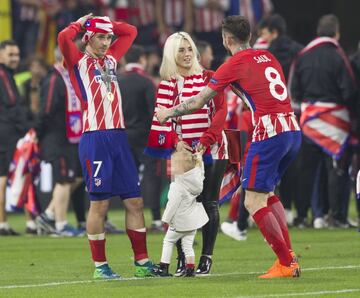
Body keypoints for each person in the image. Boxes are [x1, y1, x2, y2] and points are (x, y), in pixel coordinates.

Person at [156, 15, 301, 279]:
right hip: (292, 128)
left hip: (269, 131)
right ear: (250, 36)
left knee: (253, 200)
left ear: (226, 39)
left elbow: (199, 101)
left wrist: (169, 112)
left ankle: (285, 263)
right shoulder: (268, 57)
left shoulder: (232, 64)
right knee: (266, 194)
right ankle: (289, 257)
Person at [58, 14, 154, 279]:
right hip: (95, 138)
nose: (106, 41)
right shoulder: (77, 61)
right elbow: (63, 37)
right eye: (100, 37)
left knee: (134, 202)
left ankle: (142, 263)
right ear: (88, 38)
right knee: (99, 204)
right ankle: (100, 266)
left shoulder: (111, 59)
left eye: (109, 37)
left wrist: (106, 22)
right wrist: (81, 23)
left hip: (119, 138)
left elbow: (131, 30)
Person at [145, 31, 227, 275]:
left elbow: (221, 113)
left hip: (213, 148)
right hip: (182, 151)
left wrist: (206, 140)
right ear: (171, 54)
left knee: (210, 204)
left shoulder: (210, 78)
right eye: (180, 50)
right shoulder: (168, 84)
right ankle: (182, 259)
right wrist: (177, 143)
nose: (187, 54)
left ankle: (206, 258)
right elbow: (160, 121)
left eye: (189, 48)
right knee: (181, 206)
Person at [289, 14, 356, 229]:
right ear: (336, 32)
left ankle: (301, 216)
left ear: (318, 32)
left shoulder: (302, 55)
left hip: (308, 120)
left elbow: (294, 91)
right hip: (335, 121)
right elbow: (349, 89)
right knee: (335, 168)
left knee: (306, 170)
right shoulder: (339, 55)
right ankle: (335, 216)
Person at [34, 47, 84, 237]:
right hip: (57, 138)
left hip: (71, 137)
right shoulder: (54, 79)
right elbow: (45, 110)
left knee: (77, 176)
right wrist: (37, 134)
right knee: (63, 181)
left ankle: (47, 215)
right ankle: (60, 225)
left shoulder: (70, 78)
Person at [117, 45, 163, 232]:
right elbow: (155, 111)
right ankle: (156, 219)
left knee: (128, 177)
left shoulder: (117, 81)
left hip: (122, 136)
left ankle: (128, 218)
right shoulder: (146, 82)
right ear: (142, 59)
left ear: (124, 60)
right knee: (152, 176)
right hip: (145, 136)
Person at [152, 151, 208, 277]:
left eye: (173, 165)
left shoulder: (177, 185)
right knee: (188, 246)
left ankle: (164, 267)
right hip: (193, 221)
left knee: (168, 241)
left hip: (180, 221)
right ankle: (190, 269)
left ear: (180, 167)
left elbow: (172, 205)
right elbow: (201, 170)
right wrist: (199, 158)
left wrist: (165, 219)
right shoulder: (198, 178)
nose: (171, 167)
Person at [0, 40, 30, 236]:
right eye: (11, 54)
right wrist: (26, 127)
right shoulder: (3, 74)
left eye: (17, 55)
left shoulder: (9, 74)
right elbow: (12, 104)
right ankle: (2, 224)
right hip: (6, 132)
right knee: (2, 176)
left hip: (7, 130)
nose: (15, 59)